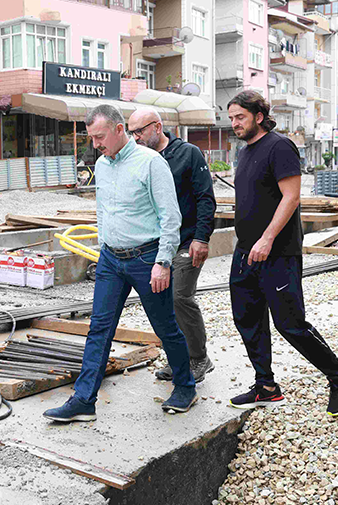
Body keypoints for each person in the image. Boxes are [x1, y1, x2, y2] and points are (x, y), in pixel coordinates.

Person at [42, 105, 197, 423]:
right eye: (92, 138)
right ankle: (84, 400)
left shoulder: (151, 163)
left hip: (147, 258)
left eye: (99, 136)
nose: (95, 143)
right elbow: (103, 212)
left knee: (165, 326)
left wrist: (163, 262)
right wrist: (103, 250)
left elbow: (171, 216)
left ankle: (185, 386)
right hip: (112, 259)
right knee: (99, 328)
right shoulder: (102, 164)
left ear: (118, 130)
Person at [226, 90, 338, 416]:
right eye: (231, 118)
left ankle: (336, 375)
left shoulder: (280, 146)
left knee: (290, 324)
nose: (234, 123)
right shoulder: (245, 152)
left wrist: (267, 239)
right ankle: (266, 386)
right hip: (246, 251)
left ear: (259, 116)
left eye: (240, 117)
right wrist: (251, 242)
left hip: (277, 253)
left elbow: (291, 197)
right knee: (247, 318)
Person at [127, 109, 217, 383]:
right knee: (161, 303)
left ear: (157, 127)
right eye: (132, 132)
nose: (136, 137)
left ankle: (200, 359)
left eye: (139, 131)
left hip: (186, 241)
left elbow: (205, 198)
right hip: (153, 245)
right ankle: (179, 358)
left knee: (179, 297)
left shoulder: (188, 154)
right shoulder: (139, 158)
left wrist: (201, 238)